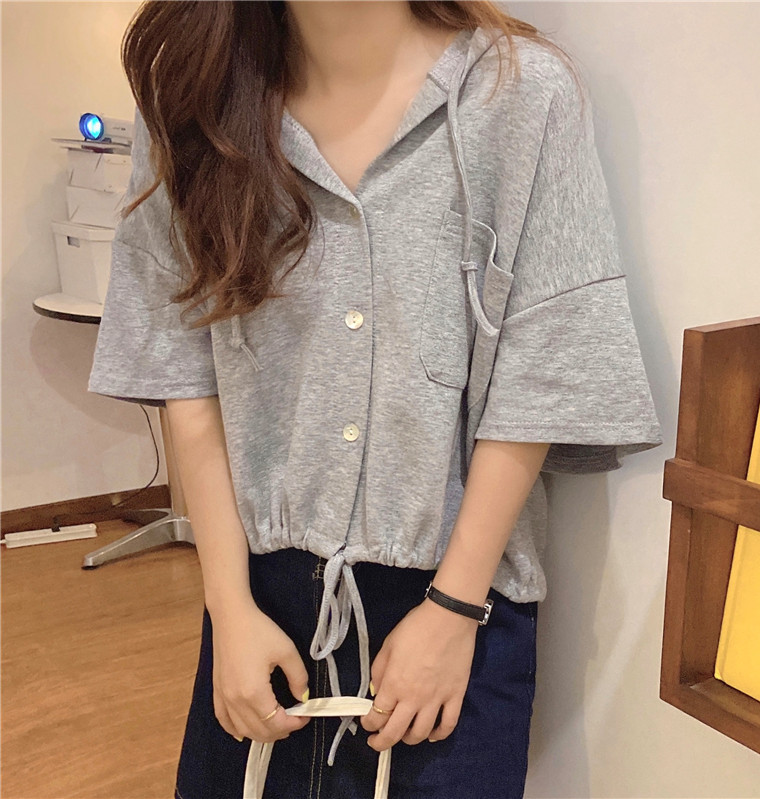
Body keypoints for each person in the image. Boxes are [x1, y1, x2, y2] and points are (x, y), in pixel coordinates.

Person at [88, 1, 663, 797]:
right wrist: (229, 608)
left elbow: (542, 369)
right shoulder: (191, 96)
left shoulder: (523, 94)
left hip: (457, 601)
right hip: (258, 597)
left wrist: (453, 608)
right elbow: (186, 369)